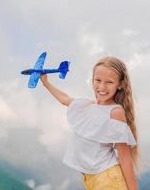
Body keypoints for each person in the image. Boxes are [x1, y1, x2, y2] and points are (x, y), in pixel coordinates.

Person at [40, 56, 139, 190]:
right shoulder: (87, 106)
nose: (102, 87)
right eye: (98, 80)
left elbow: (124, 156)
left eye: (109, 82)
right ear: (92, 80)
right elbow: (64, 99)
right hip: (92, 180)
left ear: (120, 84)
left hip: (108, 179)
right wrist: (46, 83)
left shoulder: (115, 112)